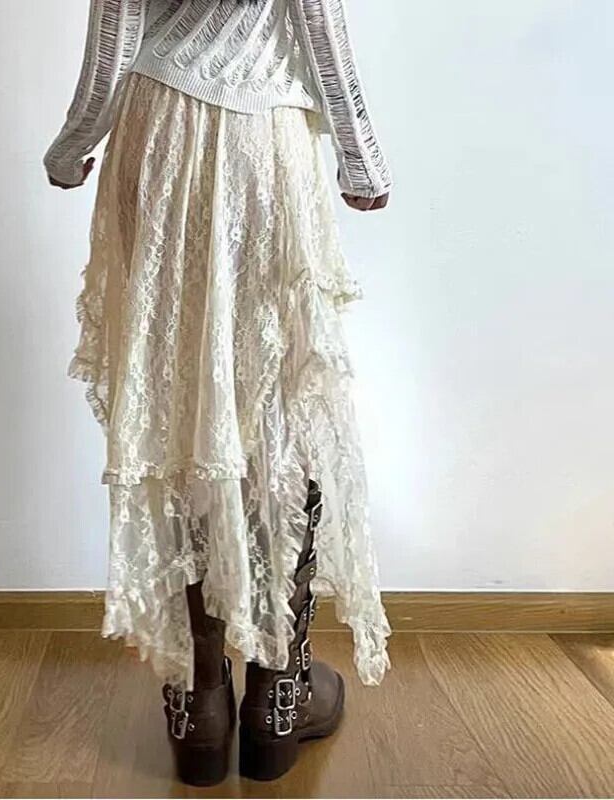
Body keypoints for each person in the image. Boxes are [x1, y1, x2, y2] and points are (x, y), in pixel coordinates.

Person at [45, 0, 392, 785]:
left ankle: (199, 701)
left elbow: (116, 30)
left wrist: (73, 147)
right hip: (263, 139)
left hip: (157, 132)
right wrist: (361, 155)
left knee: (178, 409)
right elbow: (316, 15)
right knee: (280, 409)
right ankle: (278, 693)